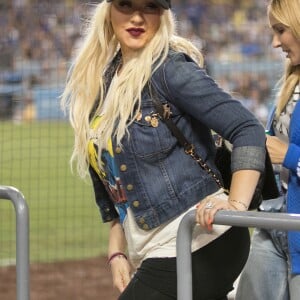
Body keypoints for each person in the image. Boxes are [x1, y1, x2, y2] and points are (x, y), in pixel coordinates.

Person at [61, 0, 266, 299]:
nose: (137, 17)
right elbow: (109, 170)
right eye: (125, 5)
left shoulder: (171, 70)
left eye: (150, 6)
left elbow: (247, 128)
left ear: (163, 14)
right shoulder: (106, 77)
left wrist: (235, 207)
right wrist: (117, 247)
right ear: (108, 10)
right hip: (155, 247)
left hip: (201, 240)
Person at [236, 0, 300, 299]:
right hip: (274, 225)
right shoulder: (290, 81)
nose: (275, 42)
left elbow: (285, 152)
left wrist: (287, 155)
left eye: (281, 30)